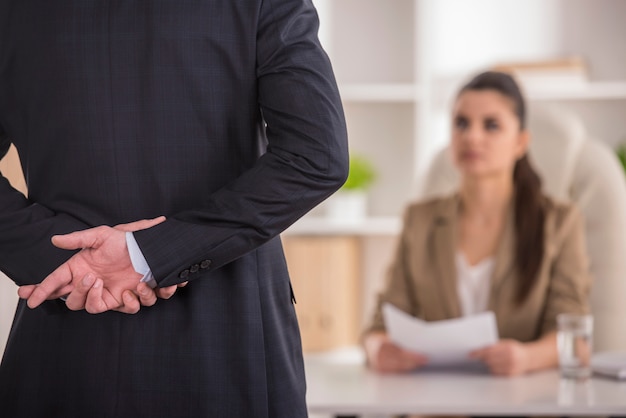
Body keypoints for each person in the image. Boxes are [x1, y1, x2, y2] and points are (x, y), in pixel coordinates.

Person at [0, 1, 348, 417]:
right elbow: (316, 158)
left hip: (62, 330)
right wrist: (148, 255)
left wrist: (66, 264)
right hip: (231, 332)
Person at [363, 71, 591, 377]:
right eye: (461, 123)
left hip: (522, 398)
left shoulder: (559, 222)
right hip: (439, 400)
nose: (472, 136)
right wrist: (378, 349)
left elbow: (574, 338)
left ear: (521, 142)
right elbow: (380, 324)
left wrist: (526, 358)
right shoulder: (419, 220)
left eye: (491, 125)